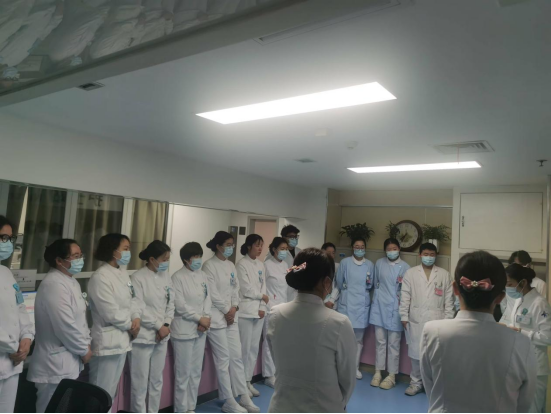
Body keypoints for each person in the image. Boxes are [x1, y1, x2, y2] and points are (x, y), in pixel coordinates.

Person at [421, 251, 537, 413]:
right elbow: (524, 403)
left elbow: (430, 387)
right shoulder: (522, 343)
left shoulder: (432, 331)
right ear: (501, 297)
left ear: (455, 289)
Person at [267, 248, 357, 413]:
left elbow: (277, 362)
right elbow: (348, 380)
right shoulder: (339, 323)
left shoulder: (275, 314)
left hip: (280, 406)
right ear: (327, 282)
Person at [28, 239, 92, 413]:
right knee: (52, 409)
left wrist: (85, 343)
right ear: (59, 260)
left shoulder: (70, 281)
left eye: (81, 255)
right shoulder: (54, 285)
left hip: (67, 361)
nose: (80, 260)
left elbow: (79, 321)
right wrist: (83, 350)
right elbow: (65, 326)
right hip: (54, 366)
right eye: (75, 256)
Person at [203, 231, 259, 414]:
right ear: (218, 246)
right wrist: (227, 310)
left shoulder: (230, 265)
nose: (231, 248)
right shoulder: (209, 266)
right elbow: (212, 293)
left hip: (231, 317)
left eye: (232, 244)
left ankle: (243, 395)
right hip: (217, 318)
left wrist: (234, 307)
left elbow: (236, 288)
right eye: (228, 244)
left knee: (237, 357)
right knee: (223, 360)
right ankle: (228, 400)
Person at [88, 233, 145, 404]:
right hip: (107, 343)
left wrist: (136, 317)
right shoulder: (100, 277)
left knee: (110, 394)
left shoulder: (123, 273)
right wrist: (131, 326)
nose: (128, 252)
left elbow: (133, 299)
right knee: (100, 393)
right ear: (113, 251)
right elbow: (109, 311)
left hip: (122, 341)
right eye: (125, 248)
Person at [400, 243, 454, 397]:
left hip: (438, 320)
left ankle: (434, 385)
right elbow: (405, 296)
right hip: (416, 319)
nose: (428, 257)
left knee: (435, 355)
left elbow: (449, 300)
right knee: (416, 354)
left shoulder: (444, 274)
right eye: (425, 254)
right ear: (420, 255)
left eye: (431, 254)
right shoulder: (410, 273)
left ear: (436, 256)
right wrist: (404, 316)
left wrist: (449, 319)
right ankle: (415, 383)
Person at [130, 241, 175, 414]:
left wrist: (166, 325)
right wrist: (158, 326)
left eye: (168, 259)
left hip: (162, 336)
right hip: (143, 337)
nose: (166, 262)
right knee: (140, 382)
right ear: (151, 259)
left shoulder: (166, 276)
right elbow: (138, 308)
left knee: (156, 380)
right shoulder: (137, 278)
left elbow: (171, 303)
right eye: (164, 259)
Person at [500, 264, 551, 413]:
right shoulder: (519, 301)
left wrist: (522, 332)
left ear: (522, 282)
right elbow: (514, 325)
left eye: (510, 284)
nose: (508, 288)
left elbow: (548, 337)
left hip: (536, 368)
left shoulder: (539, 303)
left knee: (532, 409)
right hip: (519, 363)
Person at [171, 242, 212, 414]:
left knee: (195, 372)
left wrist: (206, 318)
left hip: (200, 330)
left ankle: (190, 407)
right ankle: (181, 409)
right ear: (186, 259)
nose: (198, 260)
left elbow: (208, 298)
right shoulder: (177, 277)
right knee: (183, 374)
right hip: (183, 330)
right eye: (195, 257)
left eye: (200, 256)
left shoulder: (203, 275)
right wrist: (199, 319)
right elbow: (180, 305)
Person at [0, 216, 34, 414]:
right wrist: (14, 348)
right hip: (10, 354)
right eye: (3, 237)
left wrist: (27, 337)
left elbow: (20, 307)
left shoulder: (6, 272)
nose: (7, 243)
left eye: (9, 238)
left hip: (12, 364)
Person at [369, 239, 411, 390]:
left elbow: (405, 290)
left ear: (399, 249)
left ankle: (391, 376)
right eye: (389, 249)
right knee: (380, 342)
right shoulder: (379, 263)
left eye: (394, 248)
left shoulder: (405, 267)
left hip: (395, 309)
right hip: (379, 307)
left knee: (394, 344)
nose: (392, 251)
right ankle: (378, 372)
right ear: (385, 250)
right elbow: (375, 284)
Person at [335, 237, 374, 381]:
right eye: (357, 246)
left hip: (361, 306)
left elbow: (370, 285)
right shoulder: (345, 263)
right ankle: (341, 367)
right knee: (343, 339)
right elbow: (339, 282)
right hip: (347, 304)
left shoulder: (369, 264)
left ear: (365, 248)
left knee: (358, 340)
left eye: (362, 246)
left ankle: (355, 368)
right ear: (352, 248)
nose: (359, 248)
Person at [236, 235, 268, 399]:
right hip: (246, 312)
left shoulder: (261, 264)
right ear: (249, 246)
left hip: (259, 312)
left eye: (261, 245)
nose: (260, 248)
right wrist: (261, 297)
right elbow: (246, 289)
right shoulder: (241, 264)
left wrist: (262, 306)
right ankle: (241, 384)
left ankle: (248, 381)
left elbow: (264, 287)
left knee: (254, 349)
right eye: (257, 245)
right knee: (244, 349)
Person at [262, 237, 289, 389]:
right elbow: (262, 288)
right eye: (282, 249)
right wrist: (268, 305)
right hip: (270, 308)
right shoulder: (266, 265)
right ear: (274, 249)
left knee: (281, 342)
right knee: (269, 343)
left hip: (283, 308)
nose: (284, 251)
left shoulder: (285, 265)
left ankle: (278, 372)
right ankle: (268, 375)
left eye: (286, 249)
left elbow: (286, 289)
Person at [322, 242, 340, 310]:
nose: (331, 255)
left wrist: (331, 300)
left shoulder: (338, 267)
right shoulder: (318, 266)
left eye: (333, 253)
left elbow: (338, 285)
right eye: (329, 253)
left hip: (332, 302)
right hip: (320, 301)